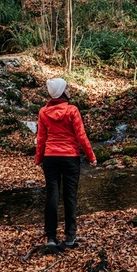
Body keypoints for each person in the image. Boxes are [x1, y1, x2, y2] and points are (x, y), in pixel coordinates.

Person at [35, 78, 97, 247]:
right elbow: (81, 136)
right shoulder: (72, 110)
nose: (69, 90)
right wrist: (91, 157)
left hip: (50, 158)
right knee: (70, 196)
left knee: (52, 196)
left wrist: (39, 158)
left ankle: (51, 238)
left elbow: (41, 138)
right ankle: (70, 237)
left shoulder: (43, 112)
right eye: (67, 88)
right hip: (70, 157)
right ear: (62, 91)